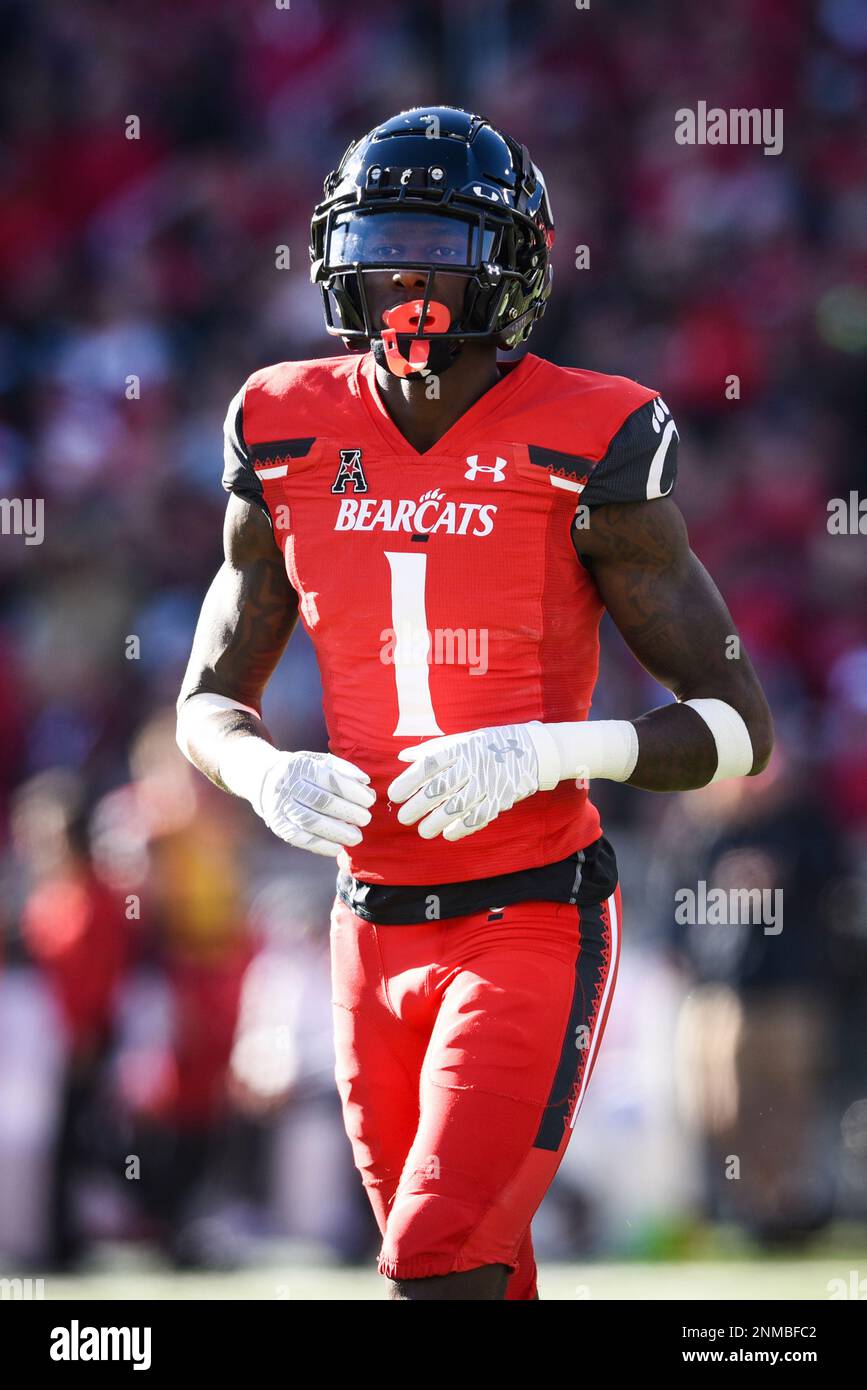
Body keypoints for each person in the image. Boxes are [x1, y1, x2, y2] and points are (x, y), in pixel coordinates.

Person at [175, 107, 773, 1300]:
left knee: (434, 1262)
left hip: (531, 916)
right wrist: (264, 775)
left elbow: (738, 727)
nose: (404, 274)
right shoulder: (281, 422)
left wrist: (554, 750)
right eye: (382, 240)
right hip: (365, 922)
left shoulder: (593, 434)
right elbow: (205, 701)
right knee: (484, 1276)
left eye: (436, 244)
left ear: (510, 265)